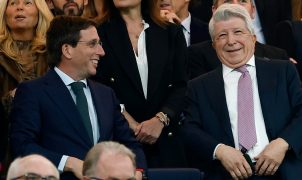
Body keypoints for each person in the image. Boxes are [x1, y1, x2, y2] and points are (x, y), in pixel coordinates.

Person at [182, 4, 302, 179]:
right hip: (228, 174)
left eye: (238, 32)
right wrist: (220, 150)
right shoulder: (199, 86)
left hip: (282, 171)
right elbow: (189, 129)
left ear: (253, 38)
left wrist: (283, 143)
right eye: (222, 35)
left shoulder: (282, 71)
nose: (231, 41)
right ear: (214, 45)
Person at [10, 16, 146, 180]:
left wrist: (138, 172)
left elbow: (130, 144)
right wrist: (67, 162)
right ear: (67, 50)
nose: (101, 52)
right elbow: (22, 145)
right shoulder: (33, 92)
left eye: (99, 44)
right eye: (92, 44)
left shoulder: (106, 94)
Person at [94, 0, 188, 167]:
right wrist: (131, 123)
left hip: (167, 140)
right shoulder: (98, 33)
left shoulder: (170, 31)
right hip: (120, 143)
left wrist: (161, 119)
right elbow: (98, 88)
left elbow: (181, 85)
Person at [0, 0, 53, 175]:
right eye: (13, 3)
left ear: (40, 12)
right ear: (4, 13)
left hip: (48, 140)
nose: (19, 7)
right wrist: (10, 99)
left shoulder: (54, 54)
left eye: (28, 2)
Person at [187, 0, 289, 79]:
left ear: (253, 10)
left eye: (242, 1)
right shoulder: (196, 56)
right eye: (227, 1)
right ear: (214, 11)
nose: (235, 6)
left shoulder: (278, 57)